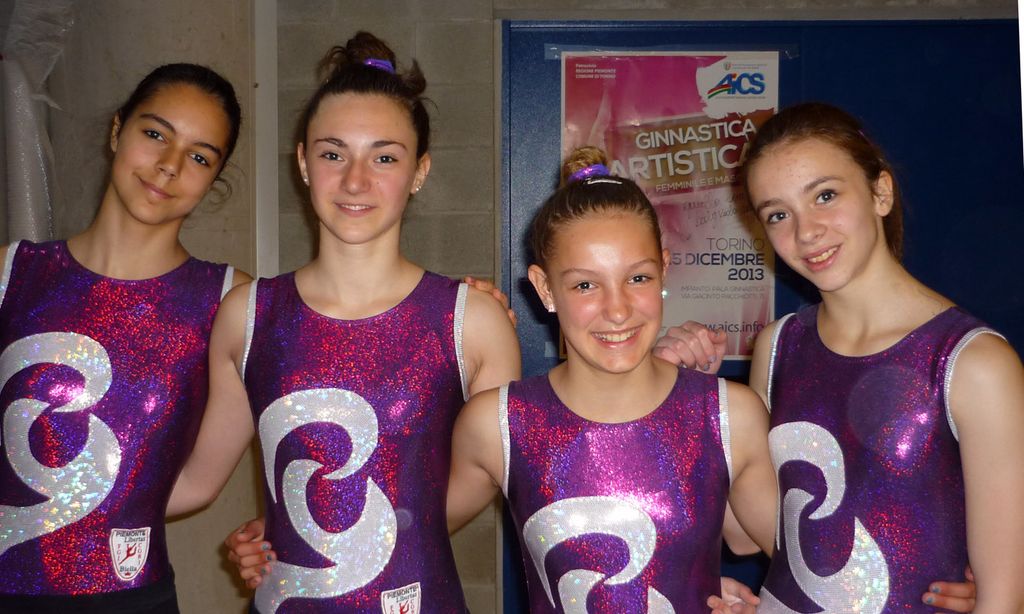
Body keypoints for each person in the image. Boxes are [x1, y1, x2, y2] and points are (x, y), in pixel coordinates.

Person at [166, 32, 520, 613]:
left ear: (420, 171)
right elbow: (196, 480)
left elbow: (475, 481)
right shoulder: (248, 315)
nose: (356, 181)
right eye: (333, 154)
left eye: (385, 157)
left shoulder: (473, 321)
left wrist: (337, 535)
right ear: (303, 163)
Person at [656, 102, 1023, 613]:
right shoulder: (778, 345)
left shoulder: (973, 362)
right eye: (778, 214)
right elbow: (750, 536)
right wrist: (695, 404)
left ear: (880, 192)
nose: (806, 232)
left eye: (825, 195)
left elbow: (1003, 599)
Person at [0, 63, 249, 612]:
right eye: (155, 133)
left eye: (199, 157)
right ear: (118, 130)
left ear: (214, 178)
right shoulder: (13, 273)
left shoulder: (232, 302)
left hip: (133, 595)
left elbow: (198, 482)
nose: (169, 165)